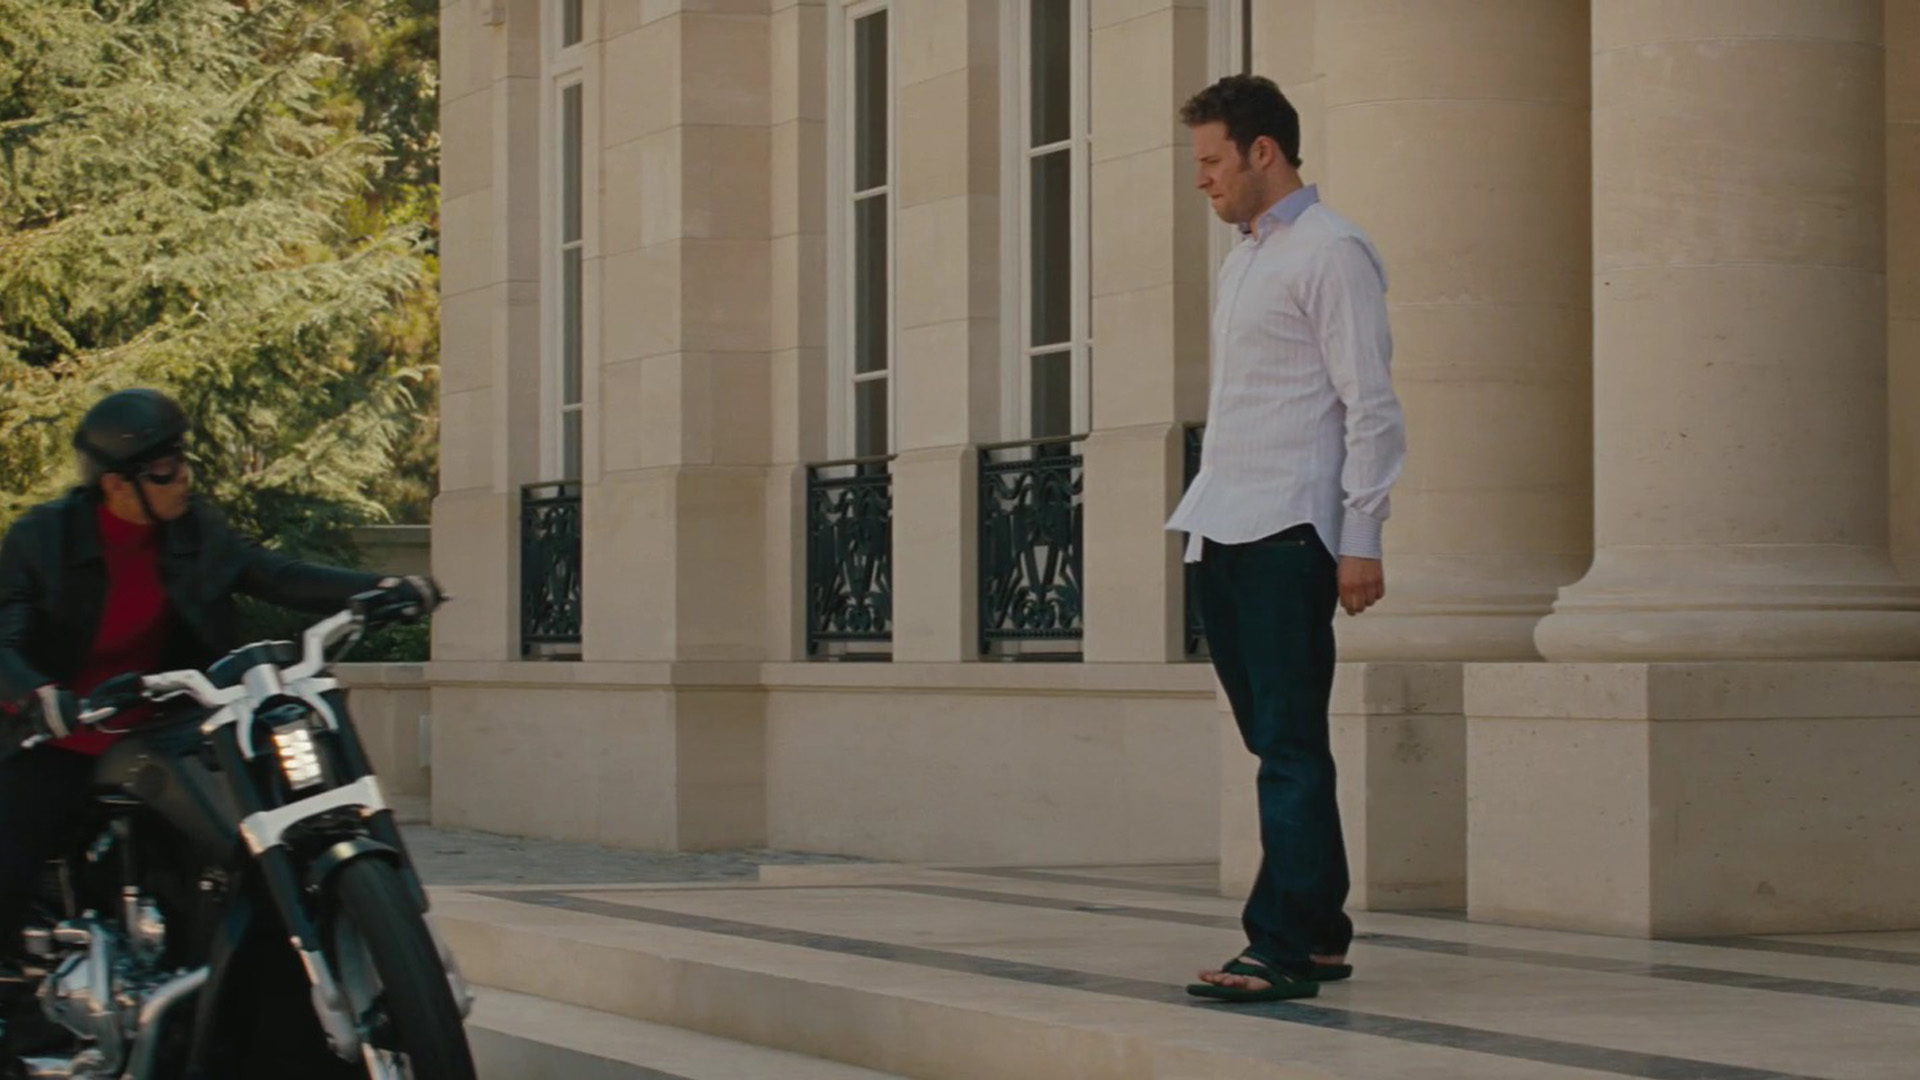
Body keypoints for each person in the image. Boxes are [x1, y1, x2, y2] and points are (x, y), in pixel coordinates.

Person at [0, 387, 441, 967]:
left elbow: (276, 574)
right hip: (55, 734)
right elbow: (4, 638)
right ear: (115, 484)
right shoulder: (43, 539)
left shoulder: (193, 531)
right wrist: (37, 696)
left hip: (160, 726)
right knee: (10, 865)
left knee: (235, 839)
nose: (183, 476)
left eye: (181, 460)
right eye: (164, 469)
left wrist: (381, 590)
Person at [1167, 75, 1406, 1003]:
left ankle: (1279, 946)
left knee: (1290, 747)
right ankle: (1322, 933)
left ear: (1262, 151)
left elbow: (1370, 405)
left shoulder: (1333, 251)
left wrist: (1361, 537)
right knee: (1278, 741)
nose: (1203, 179)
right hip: (1224, 524)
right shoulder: (1245, 262)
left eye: (1213, 160)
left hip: (1288, 532)